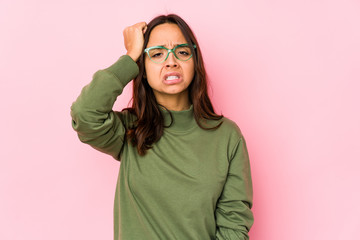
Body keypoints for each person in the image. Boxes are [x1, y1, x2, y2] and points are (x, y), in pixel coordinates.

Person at [70, 13, 254, 240]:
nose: (171, 61)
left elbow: (233, 227)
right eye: (157, 54)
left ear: (195, 63)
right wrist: (130, 57)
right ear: (142, 70)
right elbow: (85, 114)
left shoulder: (227, 136)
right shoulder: (129, 130)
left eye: (183, 52)